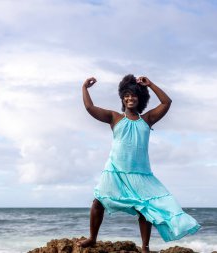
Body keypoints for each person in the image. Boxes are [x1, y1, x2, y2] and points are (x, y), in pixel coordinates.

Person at [79, 74, 201, 252]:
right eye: (126, 95)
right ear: (122, 97)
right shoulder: (115, 118)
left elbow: (167, 102)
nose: (130, 98)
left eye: (134, 95)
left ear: (140, 98)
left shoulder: (147, 119)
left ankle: (145, 247)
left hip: (140, 174)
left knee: (145, 210)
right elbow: (90, 107)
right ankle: (92, 238)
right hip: (115, 171)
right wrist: (84, 88)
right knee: (98, 202)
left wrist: (150, 84)